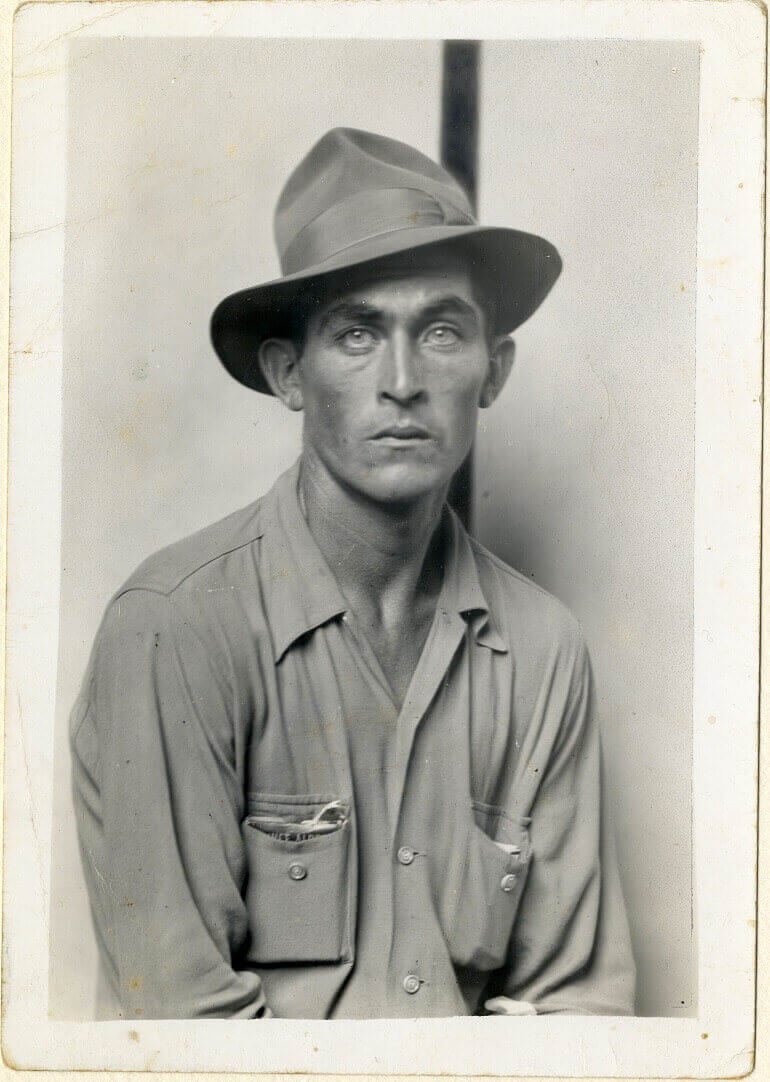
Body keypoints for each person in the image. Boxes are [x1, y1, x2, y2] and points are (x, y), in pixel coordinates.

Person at [70, 127, 636, 1020]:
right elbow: (181, 1035)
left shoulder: (543, 649)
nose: (403, 380)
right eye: (358, 334)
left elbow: (583, 1018)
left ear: (494, 371)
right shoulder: (174, 626)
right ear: (290, 374)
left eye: (442, 331)